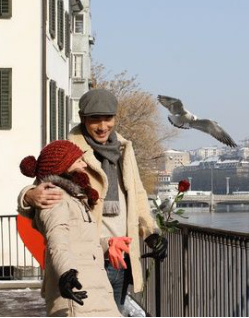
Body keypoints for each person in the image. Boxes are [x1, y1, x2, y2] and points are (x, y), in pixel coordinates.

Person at [18, 89, 168, 312]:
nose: (102, 126)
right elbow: (45, 176)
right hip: (89, 257)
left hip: (121, 254)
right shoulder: (70, 150)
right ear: (83, 119)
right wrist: (28, 195)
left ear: (115, 118)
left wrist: (150, 233)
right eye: (95, 119)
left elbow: (136, 194)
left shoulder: (124, 149)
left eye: (108, 119)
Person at [19, 140, 122, 316]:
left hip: (92, 288)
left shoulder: (74, 198)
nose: (84, 165)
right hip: (77, 291)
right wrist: (67, 273)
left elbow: (78, 241)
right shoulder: (54, 198)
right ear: (63, 165)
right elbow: (57, 240)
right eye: (79, 160)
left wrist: (108, 243)